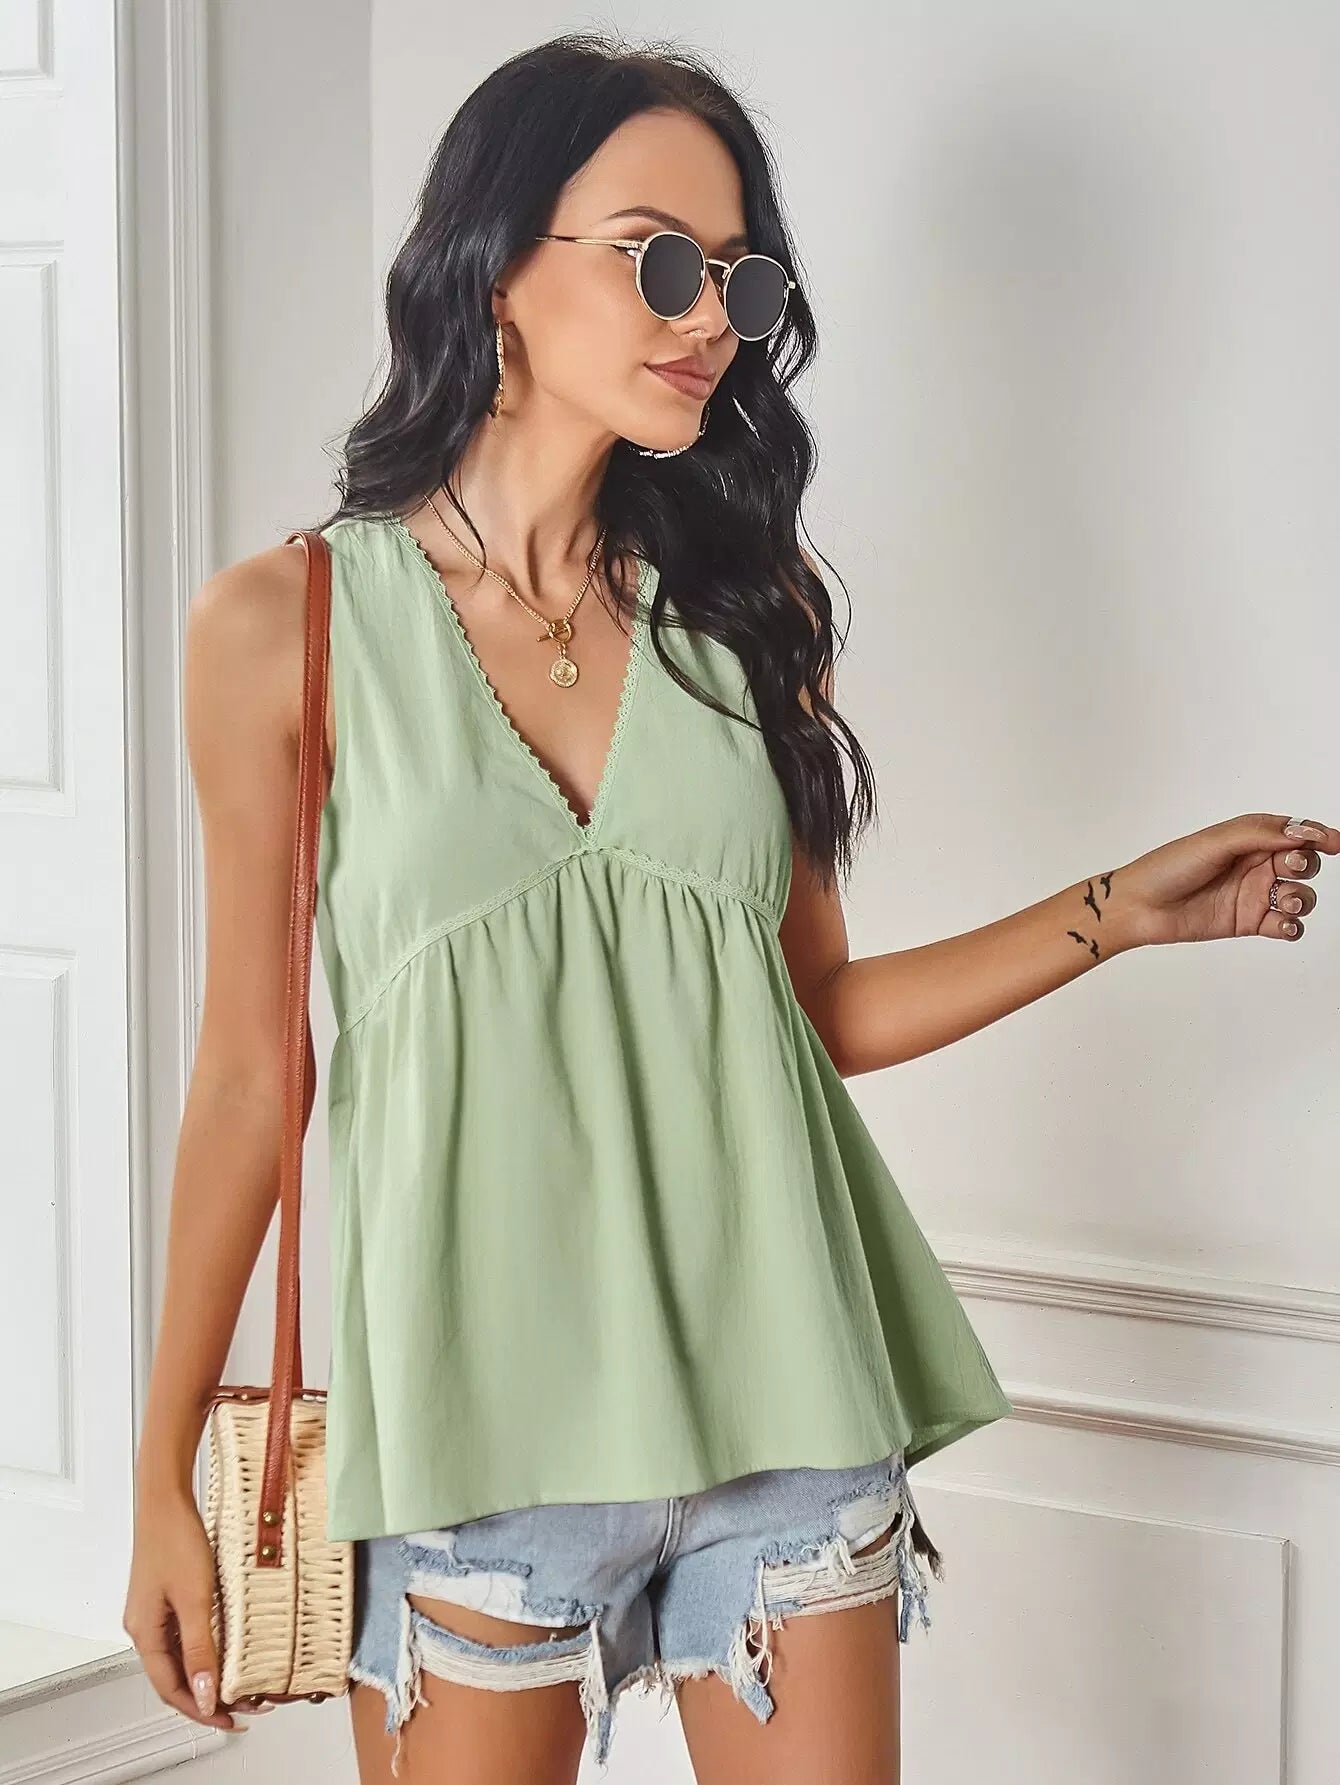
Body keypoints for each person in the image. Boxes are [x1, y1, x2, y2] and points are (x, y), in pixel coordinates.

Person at [122, 31, 1335, 1785]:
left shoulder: (750, 610)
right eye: (660, 262)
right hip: (477, 1450)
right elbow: (252, 1078)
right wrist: (161, 1468)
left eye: (741, 278)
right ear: (496, 268)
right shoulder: (283, 628)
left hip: (788, 1420)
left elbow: (812, 1011)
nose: (712, 318)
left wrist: (1120, 913)